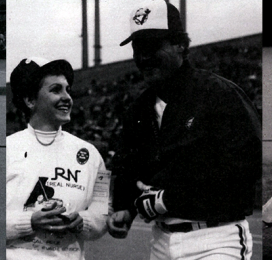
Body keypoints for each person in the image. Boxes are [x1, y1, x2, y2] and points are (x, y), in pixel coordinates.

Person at [107, 0, 262, 259]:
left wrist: (171, 199)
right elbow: (128, 167)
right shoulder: (138, 109)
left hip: (216, 238)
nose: (143, 57)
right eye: (137, 48)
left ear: (180, 45)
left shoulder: (219, 94)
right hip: (161, 241)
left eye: (153, 46)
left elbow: (248, 164)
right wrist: (125, 209)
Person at [6, 57, 112, 260]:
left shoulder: (92, 155)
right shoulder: (4, 149)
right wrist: (29, 222)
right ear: (30, 100)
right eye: (56, 90)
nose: (67, 97)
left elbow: (104, 210)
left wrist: (84, 221)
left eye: (68, 89)